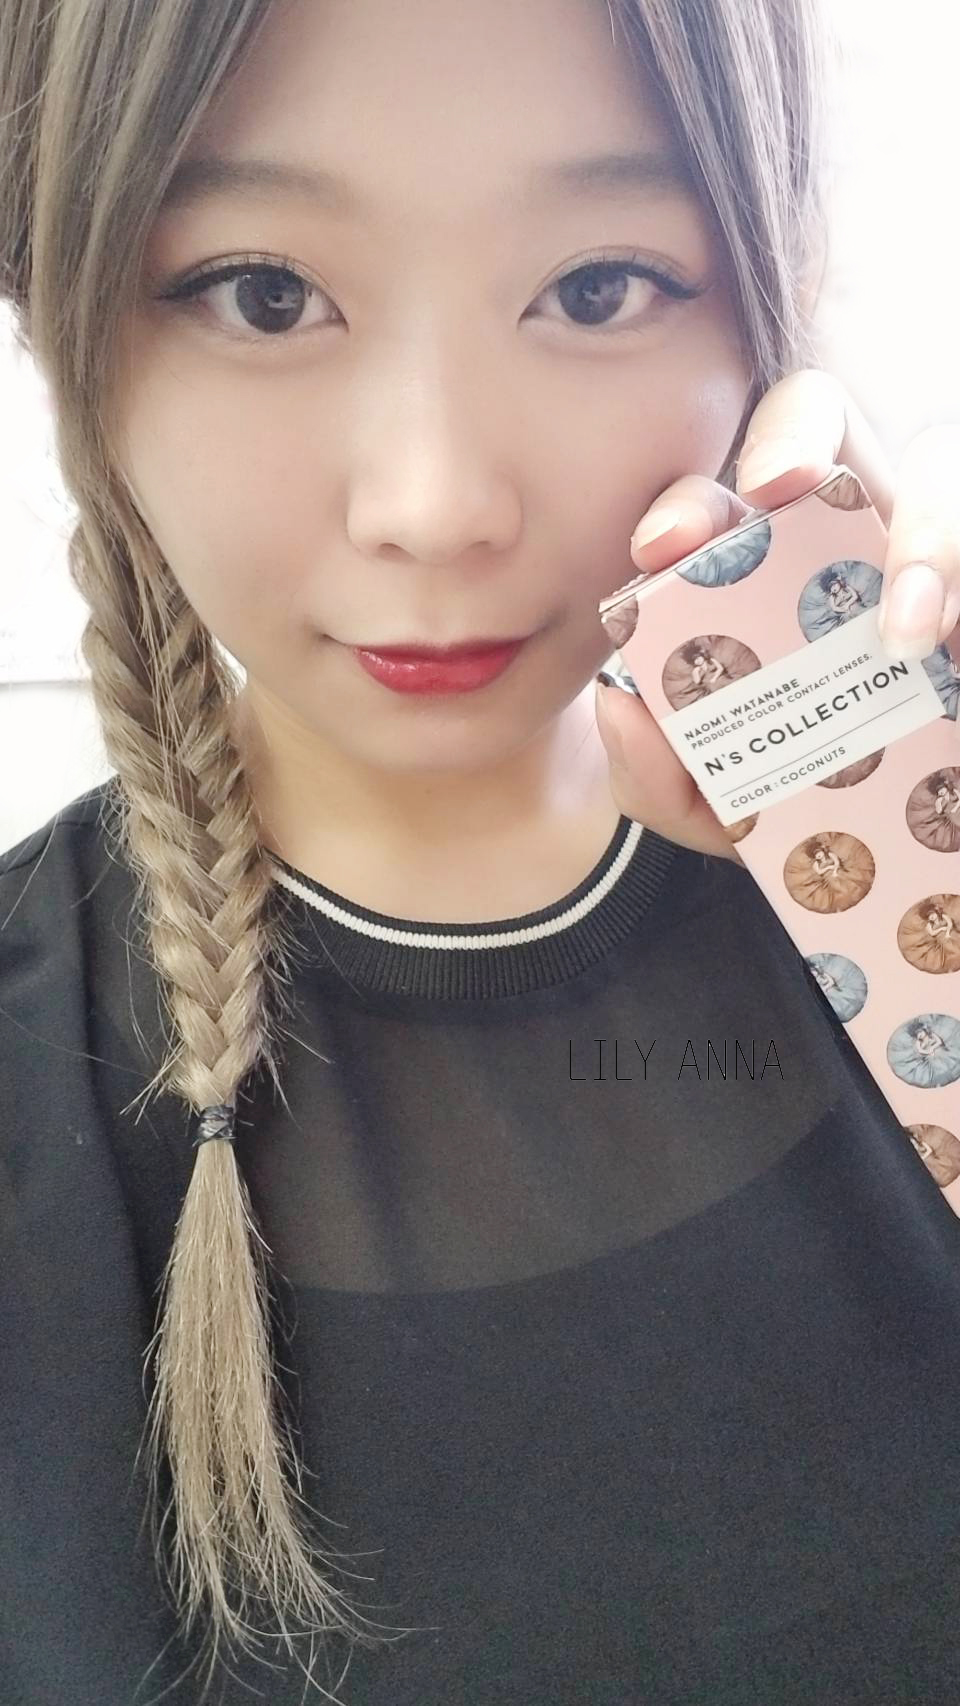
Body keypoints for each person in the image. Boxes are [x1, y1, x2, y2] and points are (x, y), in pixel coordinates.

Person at [2, 2, 960, 1704]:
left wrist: (905, 817)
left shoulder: (904, 864)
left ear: (771, 304)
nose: (437, 504)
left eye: (598, 287)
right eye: (261, 292)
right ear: (61, 325)